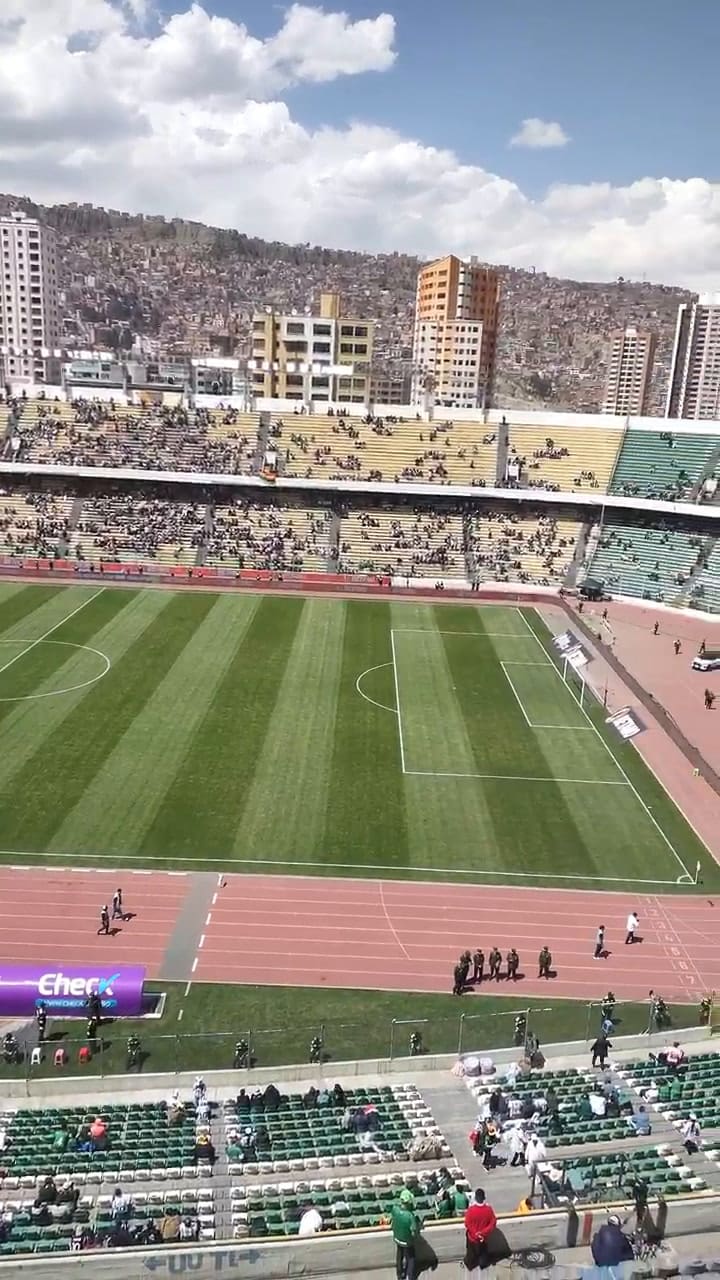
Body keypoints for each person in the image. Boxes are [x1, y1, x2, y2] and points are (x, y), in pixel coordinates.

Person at [464, 1189, 497, 1273]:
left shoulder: (471, 1210)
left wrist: (476, 1233)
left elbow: (467, 1223)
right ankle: (483, 1264)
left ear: (475, 1198)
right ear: (484, 1198)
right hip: (484, 1238)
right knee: (483, 1252)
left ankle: (470, 1265)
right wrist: (483, 1233)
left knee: (471, 1253)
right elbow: (493, 1223)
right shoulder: (489, 1209)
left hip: (473, 1237)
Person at [390, 1187, 420, 1280]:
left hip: (397, 1238)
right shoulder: (410, 1216)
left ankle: (399, 1275)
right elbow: (414, 1230)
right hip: (407, 1242)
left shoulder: (395, 1209)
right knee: (411, 1258)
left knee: (399, 1255)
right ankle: (409, 1277)